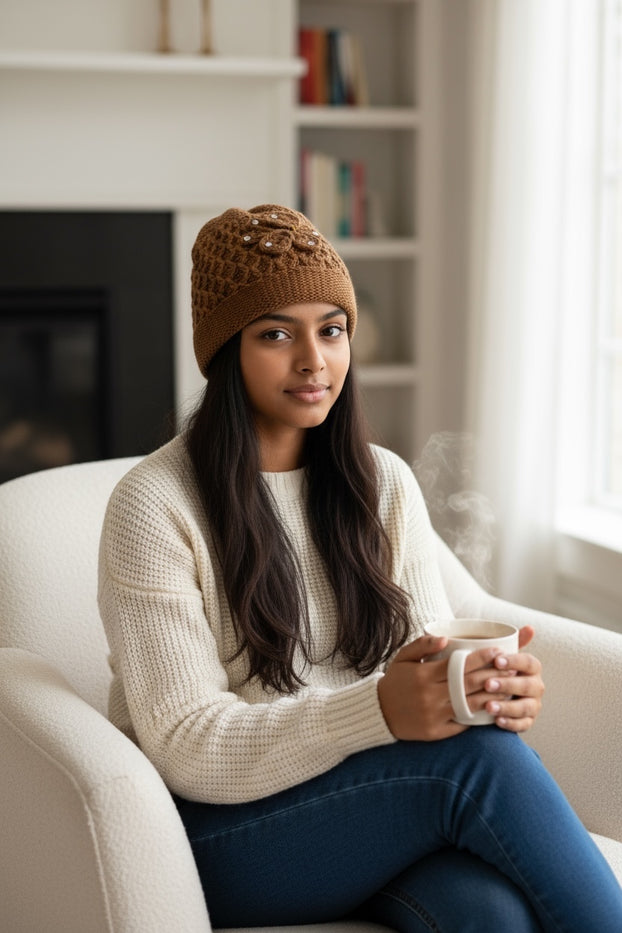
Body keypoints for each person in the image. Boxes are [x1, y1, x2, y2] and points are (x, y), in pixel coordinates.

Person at [98, 204, 622, 932]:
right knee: (476, 761)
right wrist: (379, 710)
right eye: (276, 333)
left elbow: (421, 661)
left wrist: (483, 692)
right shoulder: (152, 505)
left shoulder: (383, 481)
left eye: (332, 329)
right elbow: (187, 743)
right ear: (226, 351)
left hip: (360, 808)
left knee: (491, 915)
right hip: (215, 836)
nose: (314, 360)